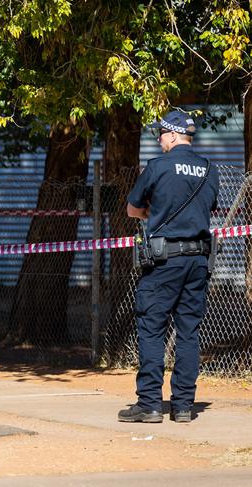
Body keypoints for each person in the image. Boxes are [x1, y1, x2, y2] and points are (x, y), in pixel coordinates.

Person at [118, 110, 219, 424]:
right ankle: (184, 406)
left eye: (160, 134)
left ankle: (149, 405)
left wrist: (152, 215)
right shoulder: (208, 169)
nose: (159, 139)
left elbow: (133, 208)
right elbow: (208, 208)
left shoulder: (158, 166)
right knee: (189, 332)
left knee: (152, 329)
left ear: (173, 135)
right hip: (198, 261)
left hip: (165, 262)